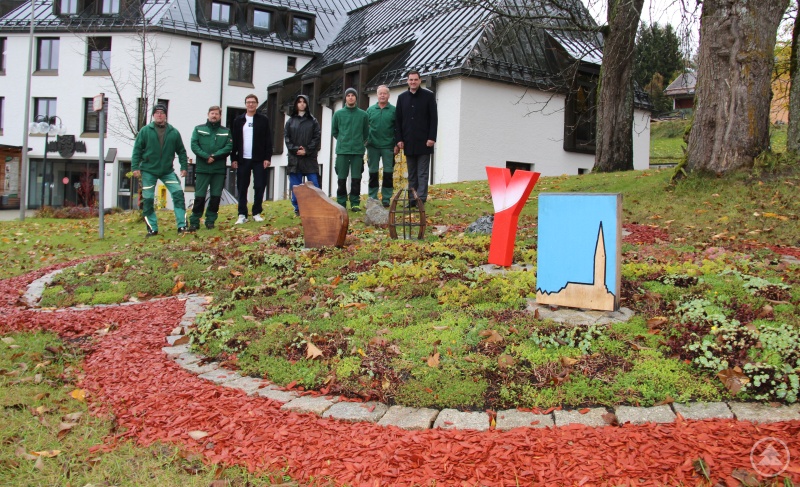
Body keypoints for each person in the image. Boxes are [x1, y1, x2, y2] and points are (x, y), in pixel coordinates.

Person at [131, 103, 189, 237]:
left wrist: (184, 167)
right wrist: (135, 167)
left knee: (178, 194)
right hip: (148, 170)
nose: (159, 115)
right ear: (153, 115)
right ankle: (152, 228)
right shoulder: (145, 131)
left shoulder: (173, 132)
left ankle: (182, 226)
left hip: (167, 171)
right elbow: (137, 150)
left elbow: (181, 151)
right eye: (156, 113)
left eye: (161, 113)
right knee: (148, 199)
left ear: (165, 115)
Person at [395, 70, 438, 206]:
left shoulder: (428, 96)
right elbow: (398, 120)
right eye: (410, 80)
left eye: (415, 79)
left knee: (422, 173)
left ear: (420, 81)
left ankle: (421, 199)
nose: (413, 82)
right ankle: (412, 200)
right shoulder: (402, 98)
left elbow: (434, 119)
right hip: (408, 142)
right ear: (407, 81)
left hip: (425, 142)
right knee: (412, 175)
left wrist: (432, 137)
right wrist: (399, 139)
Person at [188, 105, 233, 231]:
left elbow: (228, 147)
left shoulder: (226, 131)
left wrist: (215, 156)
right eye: (212, 113)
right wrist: (206, 156)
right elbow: (194, 145)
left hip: (218, 169)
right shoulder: (199, 129)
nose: (214, 116)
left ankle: (210, 221)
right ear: (208, 114)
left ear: (220, 116)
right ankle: (195, 221)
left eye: (217, 114)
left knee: (215, 197)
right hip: (202, 169)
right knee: (199, 196)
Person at [231, 94, 272, 224]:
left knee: (260, 185)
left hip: (259, 159)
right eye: (248, 102)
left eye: (253, 102)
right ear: (245, 104)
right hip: (243, 158)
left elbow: (268, 140)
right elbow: (234, 141)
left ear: (257, 104)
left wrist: (267, 157)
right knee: (242, 186)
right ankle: (242, 213)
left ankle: (257, 212)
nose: (251, 104)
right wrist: (234, 158)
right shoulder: (238, 120)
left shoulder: (263, 120)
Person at [331, 87, 369, 211]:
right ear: (345, 98)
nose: (351, 97)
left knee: (356, 178)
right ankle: (341, 203)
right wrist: (343, 140)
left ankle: (355, 203)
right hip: (342, 151)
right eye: (348, 95)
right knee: (341, 178)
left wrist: (359, 143)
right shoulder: (338, 114)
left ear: (356, 98)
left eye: (353, 95)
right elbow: (335, 132)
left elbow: (366, 133)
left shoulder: (363, 115)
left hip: (357, 151)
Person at [284, 95, 322, 216]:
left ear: (307, 104)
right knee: (296, 186)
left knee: (314, 184)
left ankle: (316, 206)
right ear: (296, 104)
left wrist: (307, 150)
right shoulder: (290, 121)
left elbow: (317, 137)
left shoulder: (313, 121)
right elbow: (287, 138)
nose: (301, 104)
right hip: (294, 159)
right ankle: (298, 208)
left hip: (309, 158)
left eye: (304, 102)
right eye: (299, 102)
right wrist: (296, 150)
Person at [366, 85, 398, 208]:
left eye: (385, 93)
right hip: (372, 145)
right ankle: (372, 197)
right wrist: (366, 141)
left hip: (388, 146)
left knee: (388, 173)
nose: (382, 95)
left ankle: (386, 198)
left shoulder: (393, 111)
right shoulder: (370, 110)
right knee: (373, 172)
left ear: (388, 96)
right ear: (377, 95)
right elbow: (365, 127)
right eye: (380, 93)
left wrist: (396, 144)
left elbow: (397, 129)